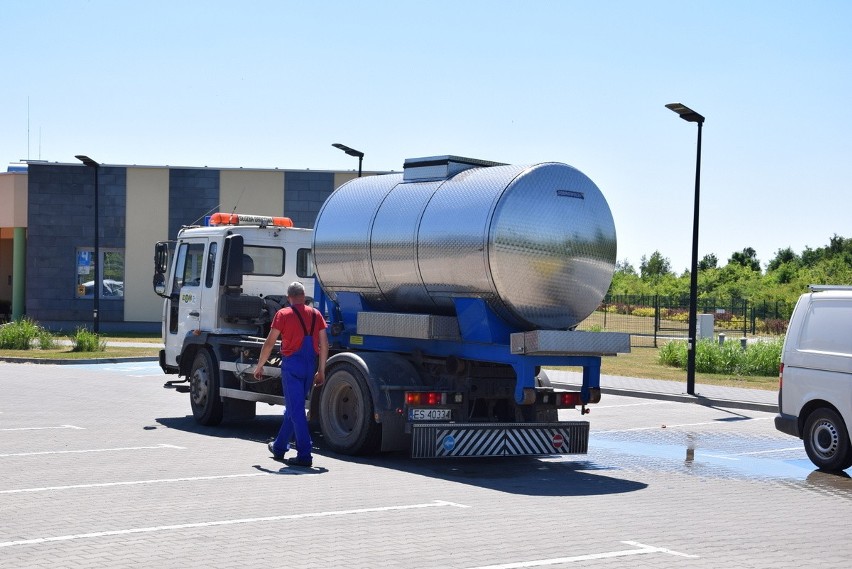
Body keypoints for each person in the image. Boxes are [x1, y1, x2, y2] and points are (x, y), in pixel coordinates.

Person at [254, 281, 328, 467]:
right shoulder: (316, 314)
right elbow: (324, 345)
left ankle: (305, 454)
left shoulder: (283, 314)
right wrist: (321, 370)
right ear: (304, 296)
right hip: (310, 365)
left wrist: (260, 365)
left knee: (296, 411)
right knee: (294, 408)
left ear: (289, 298)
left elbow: (270, 342)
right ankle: (279, 447)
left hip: (292, 365)